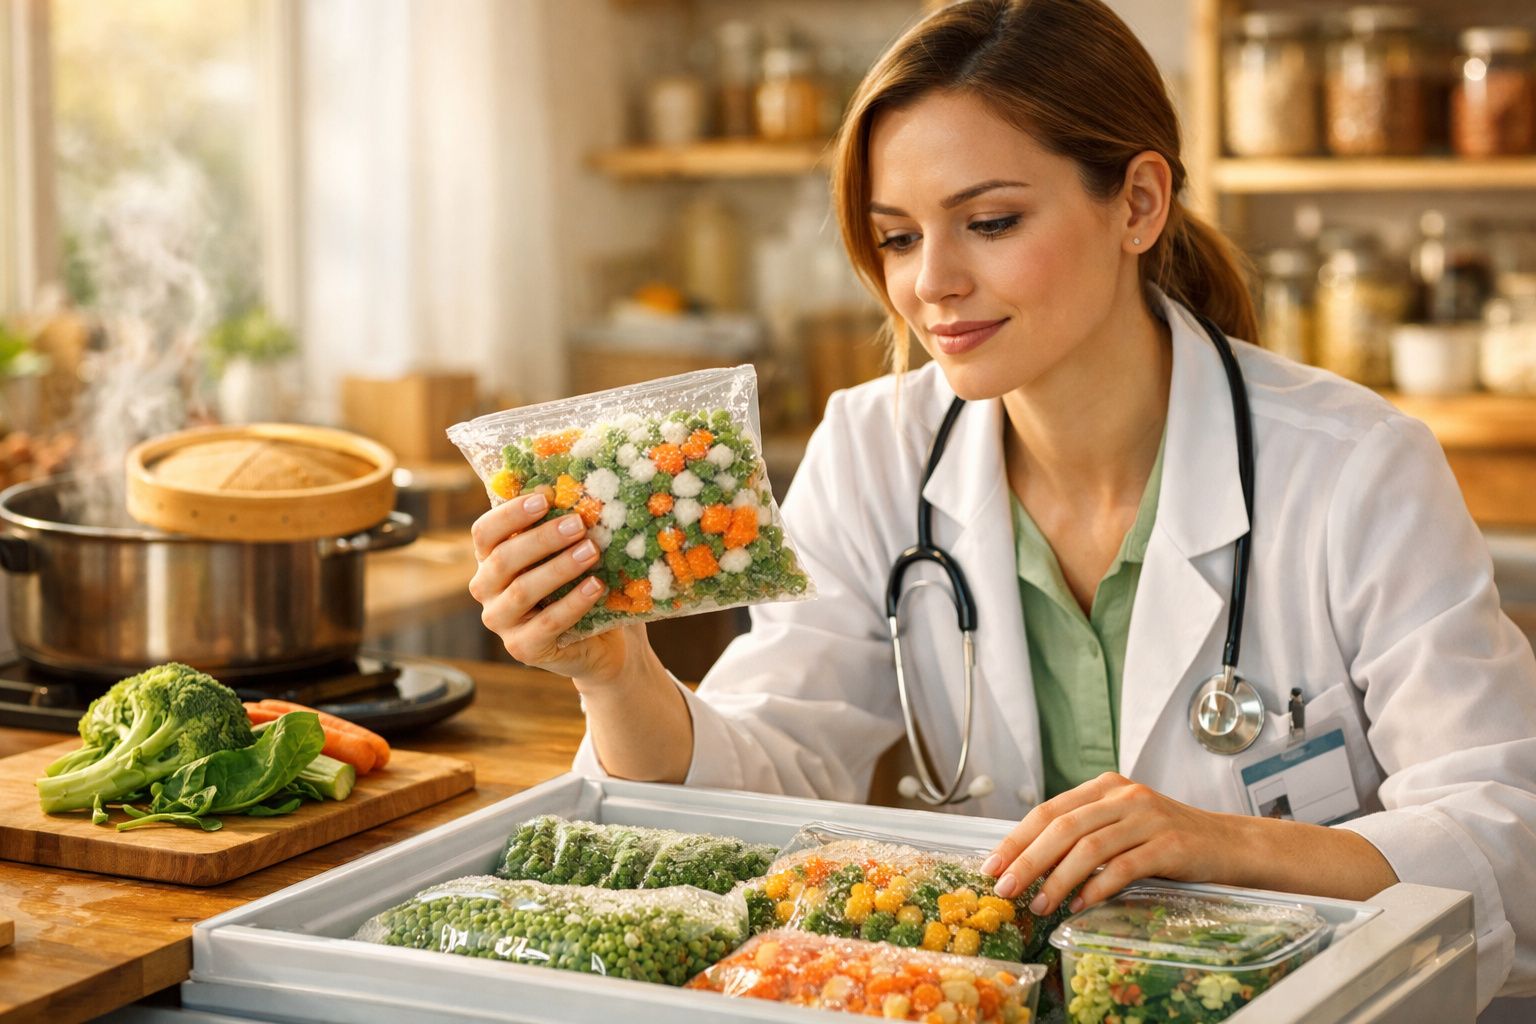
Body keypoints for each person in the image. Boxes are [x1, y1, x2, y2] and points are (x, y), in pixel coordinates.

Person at [469, 0, 1536, 1012]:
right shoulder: (874, 445)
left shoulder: (1355, 467)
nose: (931, 282)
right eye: (895, 237)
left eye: (987, 221)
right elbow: (766, 776)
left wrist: (1221, 842)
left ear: (1138, 202)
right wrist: (617, 674)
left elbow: (1505, 831)